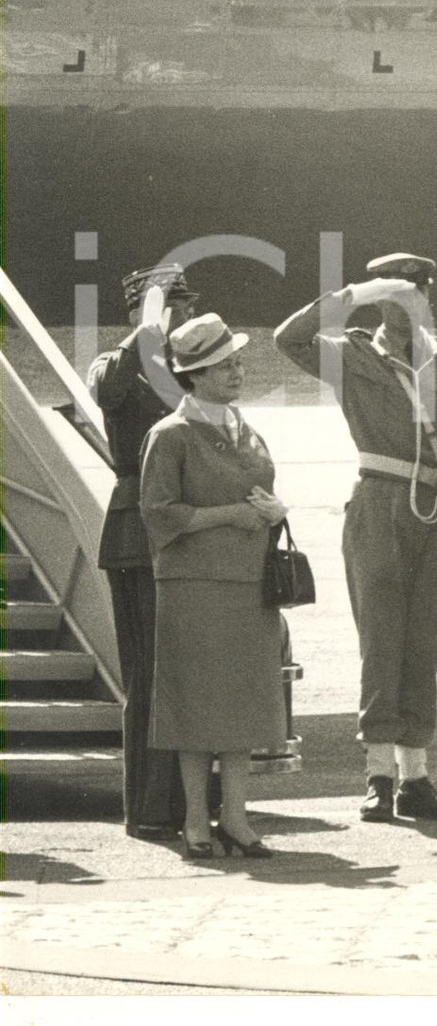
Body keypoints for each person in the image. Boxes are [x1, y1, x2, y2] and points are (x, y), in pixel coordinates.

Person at [274, 253, 437, 823]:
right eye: (399, 294)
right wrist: (352, 294)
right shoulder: (352, 353)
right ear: (380, 299)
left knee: (424, 643)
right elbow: (289, 338)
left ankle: (416, 778)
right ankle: (379, 775)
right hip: (380, 503)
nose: (412, 304)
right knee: (381, 639)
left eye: (419, 293)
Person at [140, 313, 288, 859]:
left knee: (245, 705)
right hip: (194, 586)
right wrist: (230, 514)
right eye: (224, 365)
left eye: (238, 362)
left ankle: (237, 818)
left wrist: (276, 511)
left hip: (249, 585)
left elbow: (262, 492)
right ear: (195, 374)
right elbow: (158, 513)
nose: (236, 372)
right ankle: (197, 821)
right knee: (197, 706)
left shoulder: (244, 428)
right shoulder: (171, 435)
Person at [87, 263, 197, 841]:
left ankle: (189, 805)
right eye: (168, 307)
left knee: (186, 674)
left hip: (189, 529)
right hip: (136, 532)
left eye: (181, 306)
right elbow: (107, 390)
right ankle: (152, 808)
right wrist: (145, 329)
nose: (178, 317)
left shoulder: (187, 369)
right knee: (149, 676)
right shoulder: (116, 363)